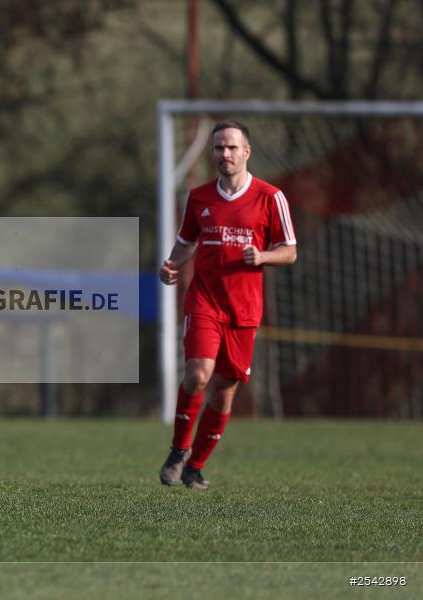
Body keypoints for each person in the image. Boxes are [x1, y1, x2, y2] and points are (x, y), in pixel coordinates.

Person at [157, 120, 297, 489]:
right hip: (204, 300)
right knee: (198, 375)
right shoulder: (199, 197)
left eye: (232, 147)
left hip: (244, 310)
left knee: (223, 391)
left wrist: (264, 257)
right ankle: (177, 450)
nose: (225, 154)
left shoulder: (270, 197)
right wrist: (173, 265)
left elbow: (290, 251)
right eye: (219, 148)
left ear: (246, 152)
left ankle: (195, 466)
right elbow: (187, 242)